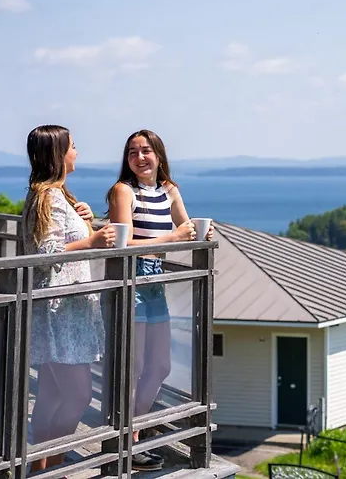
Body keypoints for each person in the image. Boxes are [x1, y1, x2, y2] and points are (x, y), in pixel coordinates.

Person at [106, 129, 213, 471]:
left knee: (160, 366)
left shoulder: (169, 190)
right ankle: (127, 444)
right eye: (132, 152)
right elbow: (121, 244)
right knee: (134, 368)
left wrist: (202, 234)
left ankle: (132, 436)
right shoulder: (124, 191)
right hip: (131, 280)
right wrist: (172, 237)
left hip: (155, 282)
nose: (139, 157)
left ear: (159, 155)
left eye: (146, 151)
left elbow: (187, 230)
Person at [22, 125, 116, 472]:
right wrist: (91, 241)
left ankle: (38, 468)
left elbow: (59, 239)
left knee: (51, 394)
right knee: (78, 395)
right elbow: (46, 253)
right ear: (58, 154)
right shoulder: (48, 196)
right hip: (61, 311)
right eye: (73, 146)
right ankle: (53, 468)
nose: (77, 151)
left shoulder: (51, 195)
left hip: (60, 308)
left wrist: (85, 221)